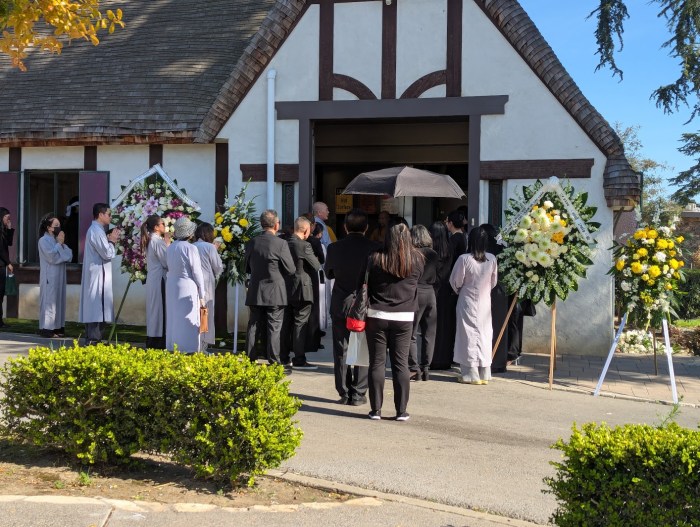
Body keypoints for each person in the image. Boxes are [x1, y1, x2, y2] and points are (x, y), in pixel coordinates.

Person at [365, 223, 424, 421]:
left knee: (377, 363)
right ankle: (401, 411)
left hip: (377, 314)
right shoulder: (417, 259)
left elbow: (365, 283)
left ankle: (376, 410)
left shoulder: (375, 258)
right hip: (404, 316)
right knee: (401, 364)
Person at [325, 208, 379, 406]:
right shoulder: (375, 248)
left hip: (342, 301)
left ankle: (344, 390)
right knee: (364, 346)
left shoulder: (334, 248)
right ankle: (359, 392)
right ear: (366, 227)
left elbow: (329, 274)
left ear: (345, 227)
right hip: (366, 303)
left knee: (341, 348)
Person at [245, 209, 296, 370]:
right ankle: (274, 361)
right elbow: (291, 269)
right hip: (275, 290)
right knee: (274, 327)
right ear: (276, 225)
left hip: (256, 289)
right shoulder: (280, 243)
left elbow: (246, 267)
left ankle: (250, 358)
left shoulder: (252, 242)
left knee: (254, 325)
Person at [450, 226, 498, 385]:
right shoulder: (492, 259)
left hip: (467, 300)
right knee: (484, 334)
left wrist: (460, 290)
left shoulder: (464, 259)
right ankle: (484, 373)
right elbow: (493, 282)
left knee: (467, 335)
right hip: (484, 302)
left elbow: (455, 281)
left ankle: (470, 374)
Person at [79, 203, 120, 345]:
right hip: (97, 274)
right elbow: (107, 253)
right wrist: (112, 241)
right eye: (109, 214)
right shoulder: (96, 231)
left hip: (99, 273)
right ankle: (93, 339)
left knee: (99, 306)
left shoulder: (98, 230)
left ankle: (95, 339)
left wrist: (109, 241)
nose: (110, 217)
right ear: (101, 215)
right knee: (96, 307)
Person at [284, 216, 321, 369]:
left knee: (286, 323)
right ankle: (299, 358)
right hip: (302, 289)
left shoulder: (284, 243)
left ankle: (283, 356)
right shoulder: (304, 246)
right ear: (306, 230)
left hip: (286, 287)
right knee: (300, 323)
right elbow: (316, 265)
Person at [431, 210, 465, 370]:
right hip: (449, 289)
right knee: (447, 324)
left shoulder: (434, 252)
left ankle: (434, 358)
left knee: (435, 326)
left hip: (438, 291)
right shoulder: (451, 248)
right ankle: (447, 357)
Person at [166, 217, 206, 353]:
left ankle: (173, 345)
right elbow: (197, 272)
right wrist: (202, 293)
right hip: (187, 285)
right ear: (189, 233)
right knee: (187, 316)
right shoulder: (191, 248)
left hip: (172, 284)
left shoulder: (171, 247)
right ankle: (188, 347)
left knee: (173, 316)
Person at [408, 225, 439, 381]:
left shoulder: (412, 254)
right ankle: (426, 367)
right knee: (429, 333)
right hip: (430, 292)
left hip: (415, 292)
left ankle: (414, 368)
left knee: (411, 333)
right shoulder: (433, 254)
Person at [37, 214, 73, 338]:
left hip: (60, 276)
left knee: (59, 301)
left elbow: (69, 256)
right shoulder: (43, 241)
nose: (59, 227)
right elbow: (51, 257)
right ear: (49, 228)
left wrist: (60, 245)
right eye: (56, 225)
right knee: (49, 302)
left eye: (59, 225)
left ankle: (58, 328)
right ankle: (47, 329)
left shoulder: (58, 240)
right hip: (50, 276)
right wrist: (59, 246)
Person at [480, 223, 509, 373]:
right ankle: (498, 362)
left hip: (485, 290)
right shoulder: (502, 248)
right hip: (501, 290)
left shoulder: (483, 250)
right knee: (499, 326)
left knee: (484, 327)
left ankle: (485, 360)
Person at [193, 222, 224, 351]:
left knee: (195, 313)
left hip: (193, 283)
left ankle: (195, 342)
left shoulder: (192, 246)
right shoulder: (209, 247)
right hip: (206, 283)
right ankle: (203, 345)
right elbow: (218, 267)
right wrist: (215, 250)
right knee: (205, 312)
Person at [142, 215, 170, 349]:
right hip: (159, 279)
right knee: (160, 309)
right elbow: (166, 262)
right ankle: (159, 341)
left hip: (153, 278)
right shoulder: (157, 241)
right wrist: (168, 245)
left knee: (154, 309)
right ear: (156, 227)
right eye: (162, 224)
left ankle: (152, 338)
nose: (165, 226)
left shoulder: (150, 239)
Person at [0, 207, 15, 329]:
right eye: (7, 217)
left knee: (1, 293)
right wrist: (8, 262)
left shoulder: (3, 230)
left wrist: (9, 229)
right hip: (1, 264)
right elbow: (1, 250)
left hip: (2, 265)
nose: (8, 220)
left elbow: (9, 243)